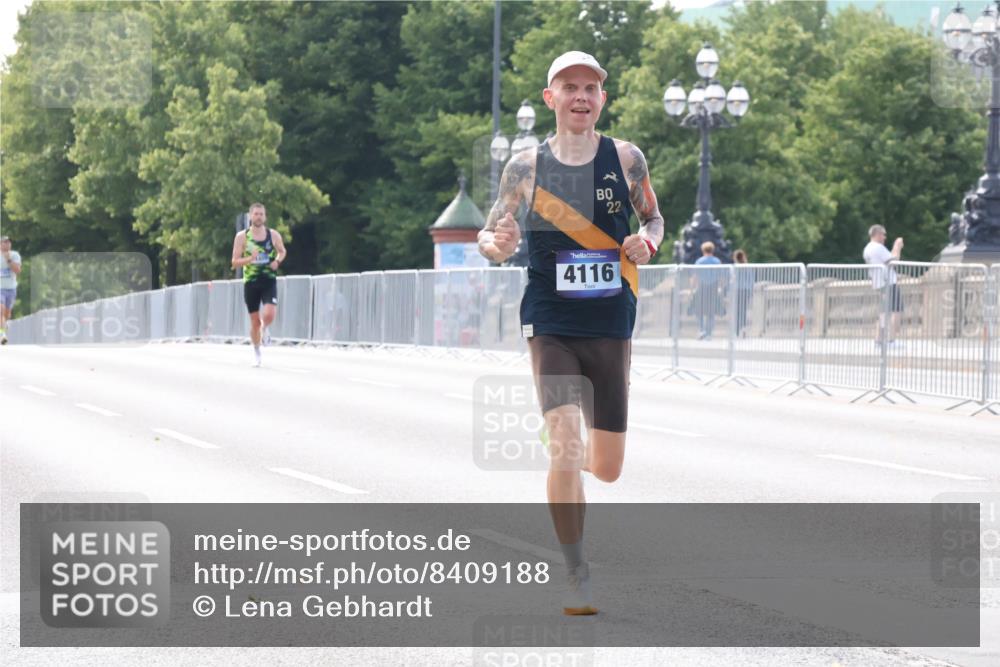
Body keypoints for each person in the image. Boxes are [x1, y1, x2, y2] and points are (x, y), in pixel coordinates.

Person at [477, 51, 664, 616]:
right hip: (551, 320)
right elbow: (490, 235)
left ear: (602, 99)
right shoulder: (524, 167)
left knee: (605, 467)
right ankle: (576, 573)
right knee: (566, 444)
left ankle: (572, 455)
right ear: (549, 97)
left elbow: (653, 217)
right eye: (570, 87)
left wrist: (648, 242)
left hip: (610, 320)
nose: (581, 96)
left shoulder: (627, 159)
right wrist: (498, 246)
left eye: (591, 88)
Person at [231, 203, 286, 366]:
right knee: (254, 322)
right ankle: (256, 350)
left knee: (269, 314)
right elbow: (234, 262)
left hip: (268, 280)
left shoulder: (273, 235)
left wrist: (277, 261)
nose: (259, 217)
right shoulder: (242, 237)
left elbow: (282, 251)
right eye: (256, 214)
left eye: (261, 214)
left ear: (265, 217)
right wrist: (250, 259)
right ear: (250, 216)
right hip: (251, 282)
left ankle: (265, 328)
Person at [863, 224, 903, 346]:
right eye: (883, 234)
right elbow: (894, 261)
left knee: (883, 313)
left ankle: (878, 340)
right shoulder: (878, 247)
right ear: (877, 234)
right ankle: (891, 340)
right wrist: (898, 246)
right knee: (895, 311)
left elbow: (886, 260)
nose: (885, 237)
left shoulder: (867, 249)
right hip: (888, 283)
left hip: (879, 283)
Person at [694, 241, 722, 340]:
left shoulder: (699, 261)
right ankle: (708, 332)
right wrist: (720, 288)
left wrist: (693, 288)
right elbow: (720, 276)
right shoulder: (717, 261)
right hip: (713, 287)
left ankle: (701, 330)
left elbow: (695, 276)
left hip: (702, 287)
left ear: (703, 250)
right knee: (711, 311)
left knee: (700, 310)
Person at [0, 236, 22, 345]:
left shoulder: (15, 255)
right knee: (1, 311)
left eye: (9, 242)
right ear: (0, 244)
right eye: (4, 242)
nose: (7, 244)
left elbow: (17, 271)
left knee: (7, 314)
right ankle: (2, 335)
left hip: (11, 288)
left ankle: (4, 324)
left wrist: (9, 260)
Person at [732, 248, 753, 337]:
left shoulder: (734, 267)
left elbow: (732, 280)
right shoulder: (747, 267)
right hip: (746, 290)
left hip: (737, 290)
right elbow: (751, 280)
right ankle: (743, 329)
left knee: (737, 311)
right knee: (743, 310)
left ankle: (736, 330)